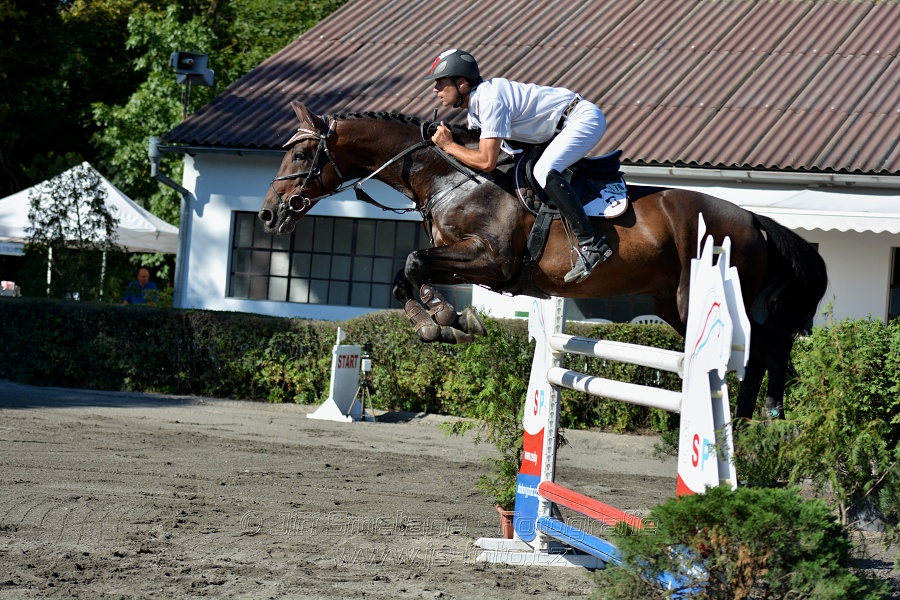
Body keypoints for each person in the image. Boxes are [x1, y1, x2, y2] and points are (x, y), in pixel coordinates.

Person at [425, 49, 613, 284]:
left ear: (461, 83)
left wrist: (448, 145)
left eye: (440, 83)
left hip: (581, 119)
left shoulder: (489, 100)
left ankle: (590, 243)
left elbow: (486, 162)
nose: (435, 89)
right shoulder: (476, 108)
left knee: (543, 171)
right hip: (555, 130)